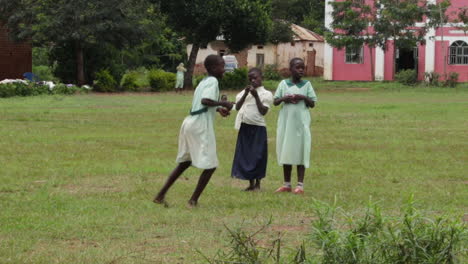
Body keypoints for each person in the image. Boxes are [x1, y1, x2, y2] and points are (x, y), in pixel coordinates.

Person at [154, 55, 233, 207]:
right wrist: (224, 103)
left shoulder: (203, 81)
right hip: (200, 125)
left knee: (185, 162)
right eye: (222, 66)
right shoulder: (213, 81)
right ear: (213, 68)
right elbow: (205, 101)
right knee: (211, 165)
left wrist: (218, 109)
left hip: (189, 122)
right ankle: (193, 200)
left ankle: (160, 195)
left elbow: (202, 103)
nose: (224, 69)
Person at [273, 58, 317, 195]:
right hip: (287, 123)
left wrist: (302, 97)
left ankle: (300, 185)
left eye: (303, 67)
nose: (301, 70)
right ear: (290, 69)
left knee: (301, 150)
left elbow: (313, 103)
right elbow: (275, 101)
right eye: (298, 67)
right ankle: (286, 184)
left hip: (301, 124)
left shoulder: (307, 85)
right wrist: (284, 99)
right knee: (287, 149)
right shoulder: (283, 84)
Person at [231, 68, 273, 191]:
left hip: (258, 127)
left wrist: (256, 96)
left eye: (255, 77)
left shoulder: (266, 94)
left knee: (258, 155)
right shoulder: (243, 92)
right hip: (245, 126)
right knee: (246, 155)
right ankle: (250, 183)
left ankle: (258, 184)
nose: (253, 80)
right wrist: (245, 93)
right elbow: (237, 107)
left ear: (261, 77)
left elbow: (263, 111)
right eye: (250, 79)